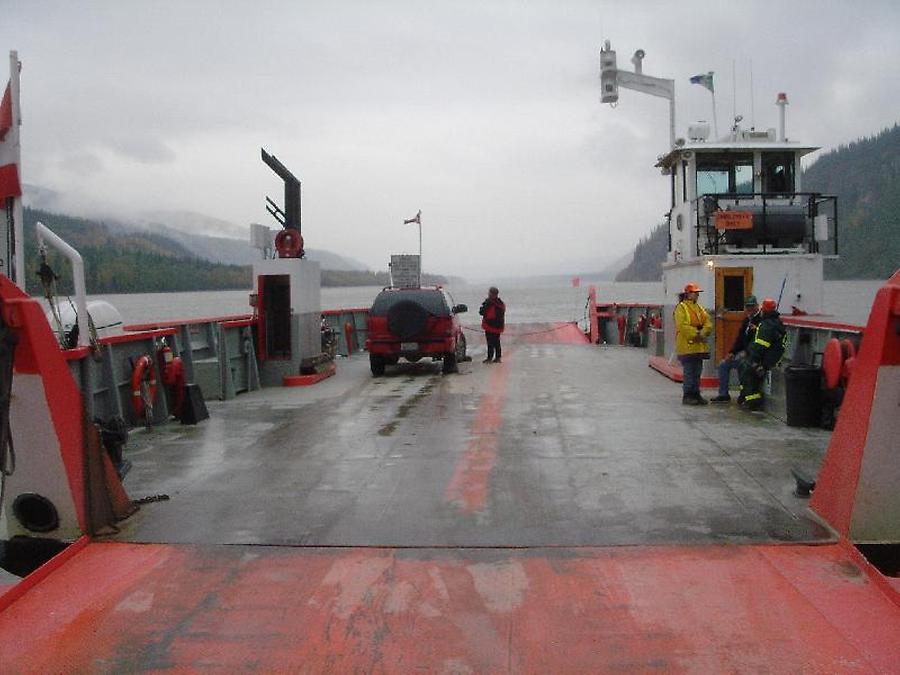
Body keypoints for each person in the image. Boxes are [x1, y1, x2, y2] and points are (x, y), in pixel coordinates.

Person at [710, 295, 761, 403]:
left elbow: (758, 342)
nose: (749, 309)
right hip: (743, 353)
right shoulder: (746, 320)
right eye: (747, 307)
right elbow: (739, 340)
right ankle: (723, 394)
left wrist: (747, 352)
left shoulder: (760, 321)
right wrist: (732, 352)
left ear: (757, 306)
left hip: (753, 355)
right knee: (723, 365)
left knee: (742, 365)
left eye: (751, 307)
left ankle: (744, 394)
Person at [739, 297, 787, 411]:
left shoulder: (766, 325)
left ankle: (752, 400)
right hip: (772, 356)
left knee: (746, 368)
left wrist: (754, 360)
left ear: (763, 310)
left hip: (769, 359)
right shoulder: (774, 323)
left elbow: (761, 345)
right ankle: (744, 394)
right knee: (743, 365)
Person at [674, 282, 712, 405]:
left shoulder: (700, 308)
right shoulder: (681, 307)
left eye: (697, 293)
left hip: (699, 347)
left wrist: (704, 332)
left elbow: (708, 322)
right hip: (687, 346)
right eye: (695, 293)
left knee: (697, 371)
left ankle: (696, 394)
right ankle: (688, 395)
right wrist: (697, 333)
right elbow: (681, 325)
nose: (697, 295)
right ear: (688, 294)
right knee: (689, 372)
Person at [479, 286, 506, 363]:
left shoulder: (489, 303)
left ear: (491, 293)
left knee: (490, 342)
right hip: (498, 326)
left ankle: (489, 358)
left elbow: (482, 312)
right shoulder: (501, 303)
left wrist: (483, 306)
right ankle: (498, 357)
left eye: (489, 292)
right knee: (497, 342)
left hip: (489, 326)